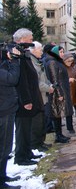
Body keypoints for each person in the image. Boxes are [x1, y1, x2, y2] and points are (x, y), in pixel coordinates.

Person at [13, 28, 44, 166]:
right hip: (23, 102)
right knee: (22, 131)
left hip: (31, 97)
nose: (32, 41)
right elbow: (21, 80)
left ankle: (27, 153)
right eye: (30, 39)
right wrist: (26, 100)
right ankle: (21, 157)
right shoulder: (16, 54)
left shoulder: (24, 53)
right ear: (21, 40)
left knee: (28, 129)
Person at [0, 46, 21, 187]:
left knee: (6, 146)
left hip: (6, 108)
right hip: (4, 110)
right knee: (4, 147)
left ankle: (3, 175)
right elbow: (12, 79)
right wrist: (14, 61)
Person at [46, 45, 74, 143]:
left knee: (58, 114)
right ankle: (58, 136)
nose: (62, 54)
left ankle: (60, 134)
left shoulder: (57, 61)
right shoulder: (53, 62)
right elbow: (54, 79)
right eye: (61, 52)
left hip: (62, 90)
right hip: (57, 92)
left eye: (63, 52)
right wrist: (59, 94)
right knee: (56, 113)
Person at [29, 41, 53, 152]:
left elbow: (44, 77)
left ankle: (41, 142)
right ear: (33, 50)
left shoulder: (37, 61)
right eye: (40, 50)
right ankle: (36, 144)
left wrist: (49, 85)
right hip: (38, 96)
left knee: (43, 121)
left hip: (43, 96)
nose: (42, 52)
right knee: (37, 123)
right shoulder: (32, 62)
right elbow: (36, 82)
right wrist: (49, 88)